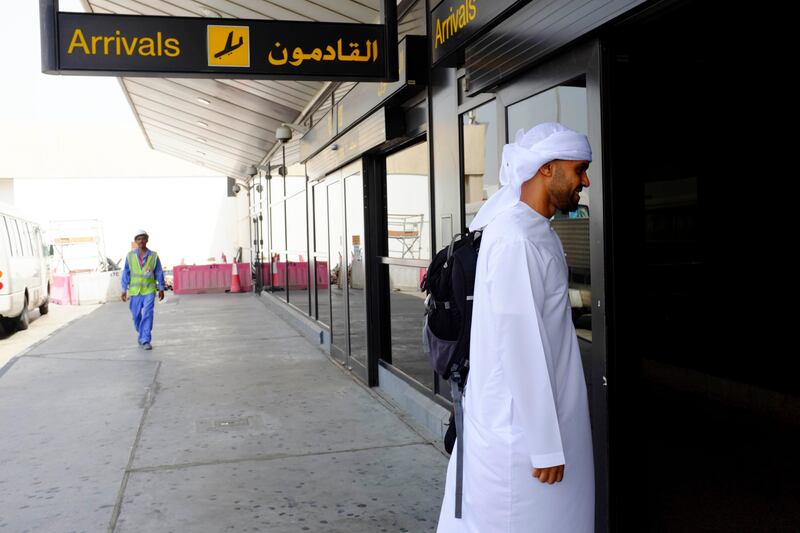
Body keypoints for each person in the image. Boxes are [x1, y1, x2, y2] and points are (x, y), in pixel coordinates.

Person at [437, 123, 595, 532]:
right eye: (578, 169)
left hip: (539, 423)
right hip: (519, 436)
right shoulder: (514, 237)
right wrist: (543, 446)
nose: (585, 180)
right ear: (546, 168)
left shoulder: (534, 231)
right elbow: (519, 344)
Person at [120, 230, 165, 350]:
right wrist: (124, 289)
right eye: (139, 239)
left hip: (149, 290)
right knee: (135, 316)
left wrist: (161, 288)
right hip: (135, 291)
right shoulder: (130, 256)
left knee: (148, 313)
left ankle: (145, 339)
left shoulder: (154, 256)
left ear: (147, 240)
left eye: (143, 238)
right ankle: (141, 333)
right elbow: (126, 272)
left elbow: (159, 272)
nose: (141, 241)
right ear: (135, 241)